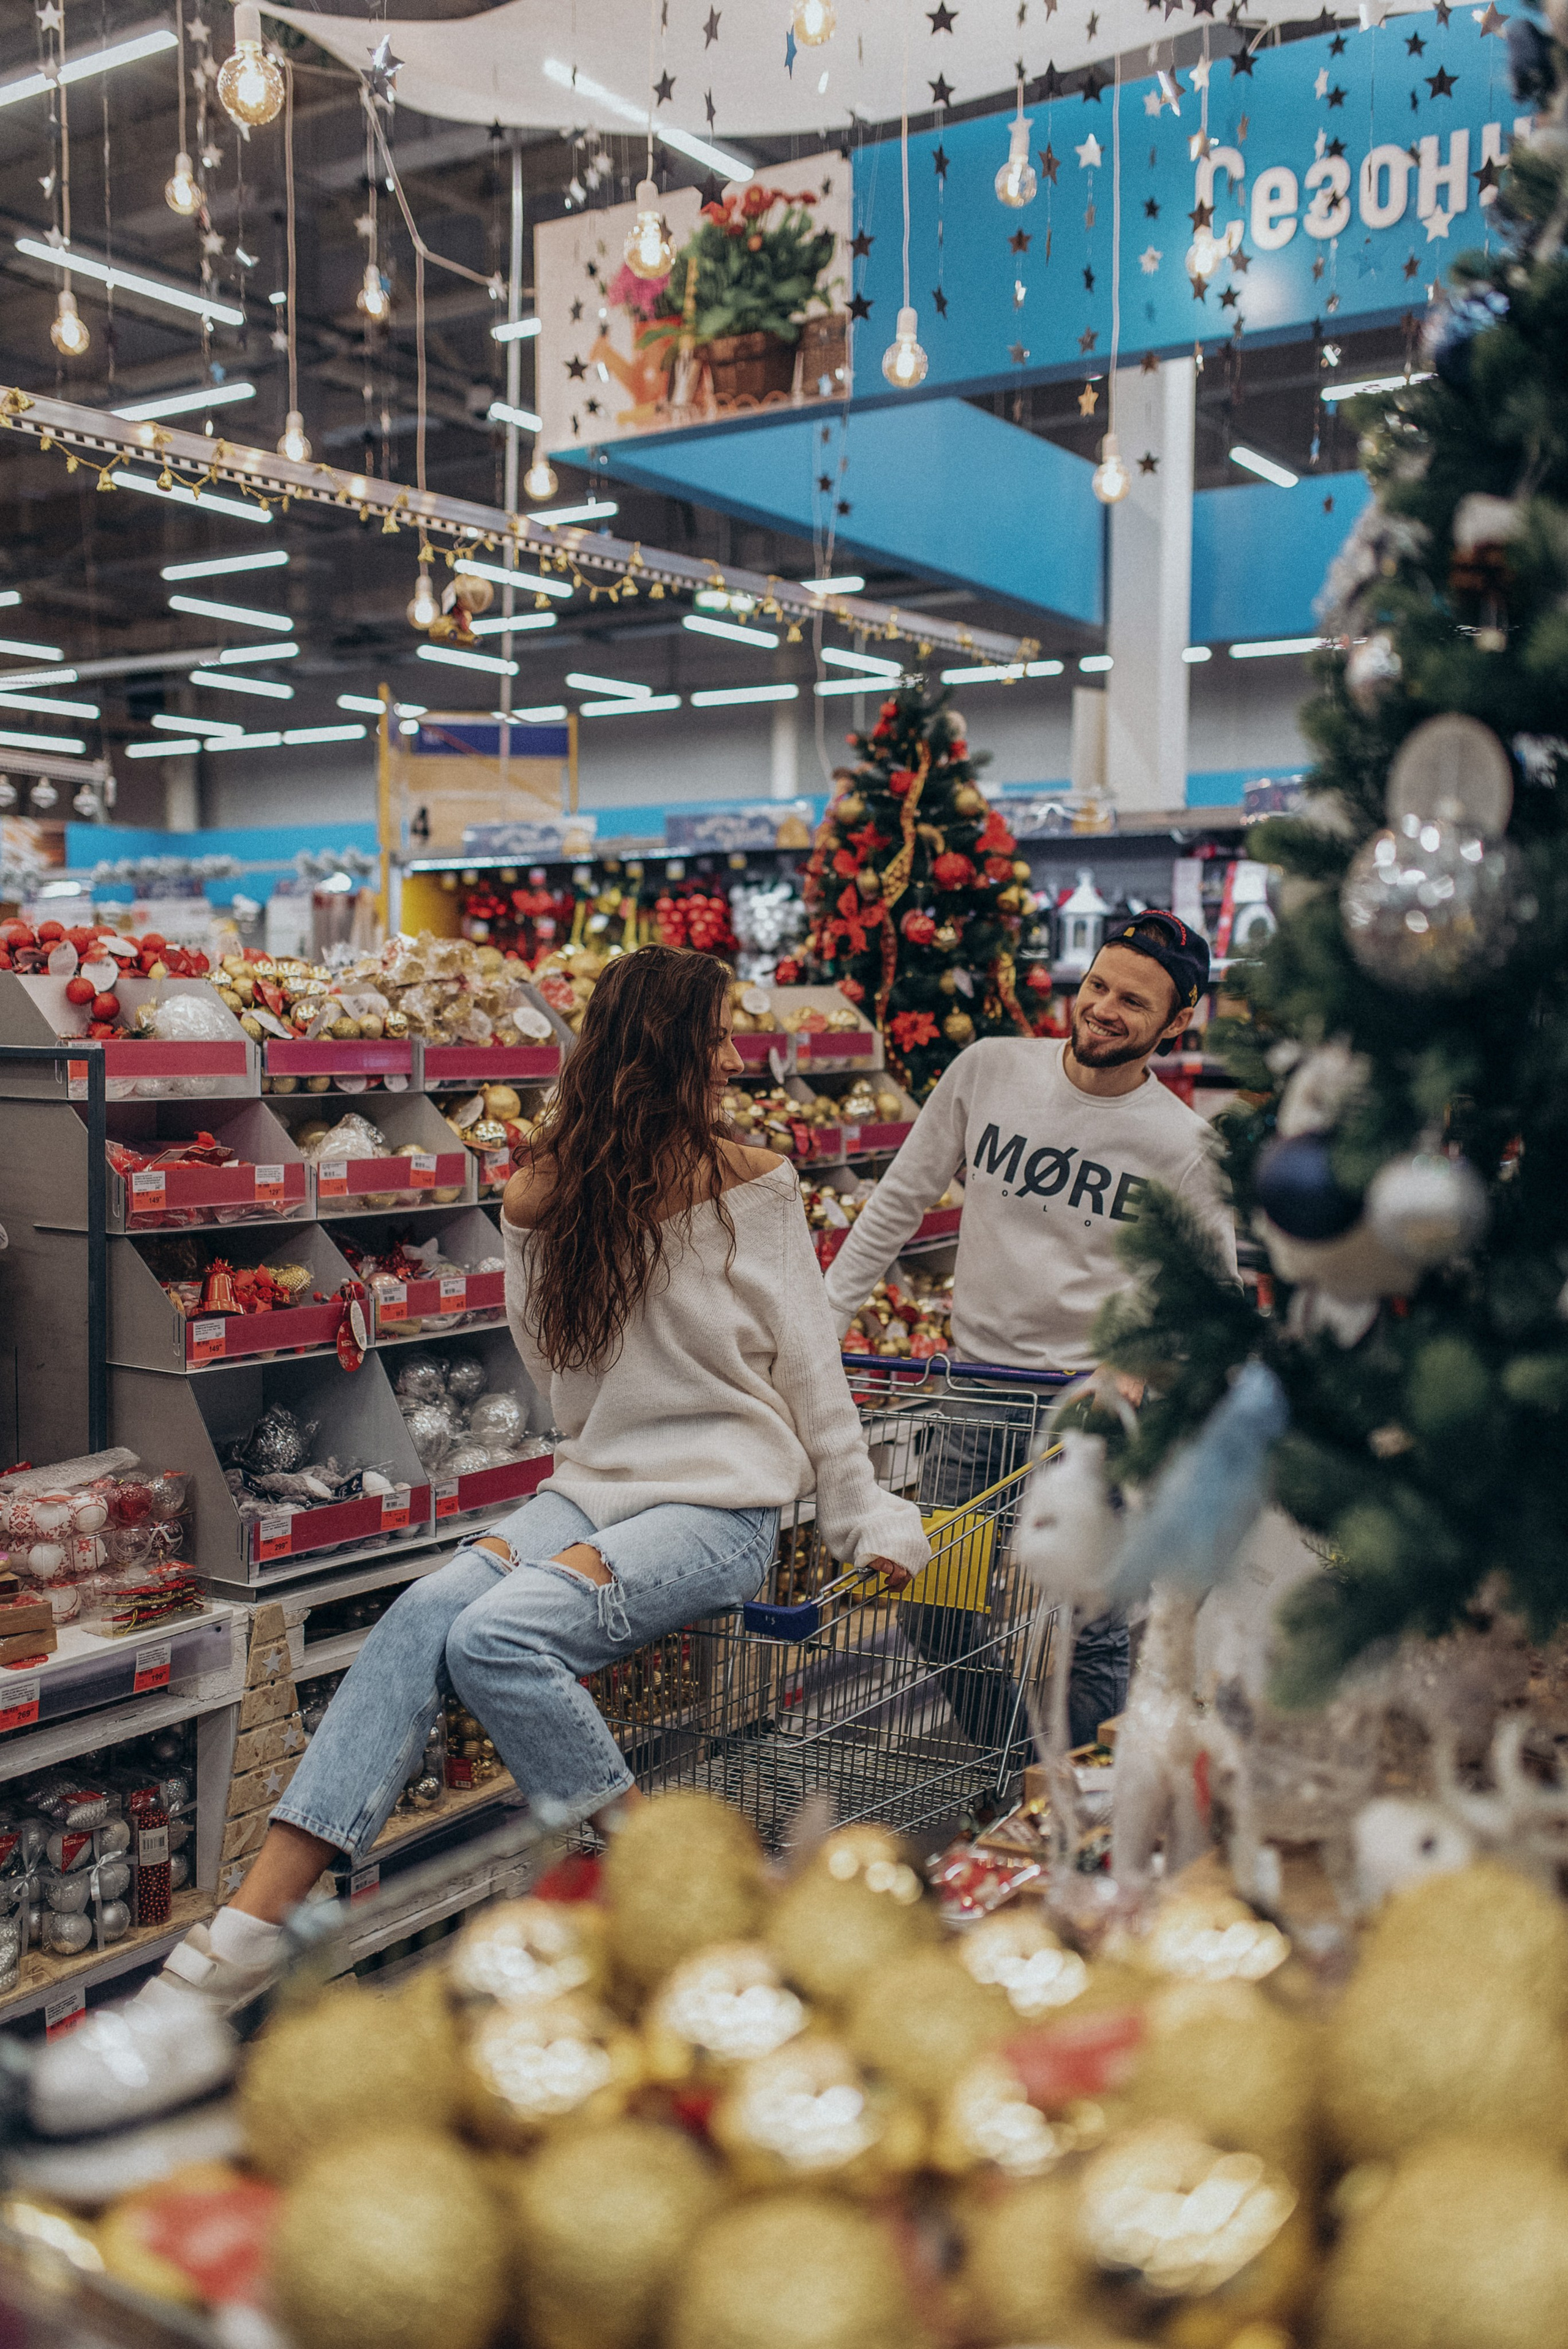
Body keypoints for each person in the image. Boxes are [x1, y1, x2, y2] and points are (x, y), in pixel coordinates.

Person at [34, 946, 929, 2136]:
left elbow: (807, 1378)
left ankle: (653, 1881)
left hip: (720, 1509)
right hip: (600, 1489)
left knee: (501, 1633)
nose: (733, 1058)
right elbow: (558, 1386)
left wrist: (865, 1508)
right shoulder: (548, 1195)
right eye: (715, 1036)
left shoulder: (741, 1184)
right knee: (418, 1617)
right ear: (663, 1047)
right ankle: (236, 1942)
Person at [823, 910, 1238, 1752]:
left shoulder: (1186, 1146)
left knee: (1094, 1630)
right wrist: (824, 1316)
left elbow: (1215, 1298)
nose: (1104, 1010)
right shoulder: (991, 1070)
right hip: (979, 1393)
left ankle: (1064, 1801)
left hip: (1094, 1420)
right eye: (1098, 987)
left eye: (1134, 1001)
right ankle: (1022, 1778)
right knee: (937, 1605)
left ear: (1177, 1021)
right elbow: (899, 1201)